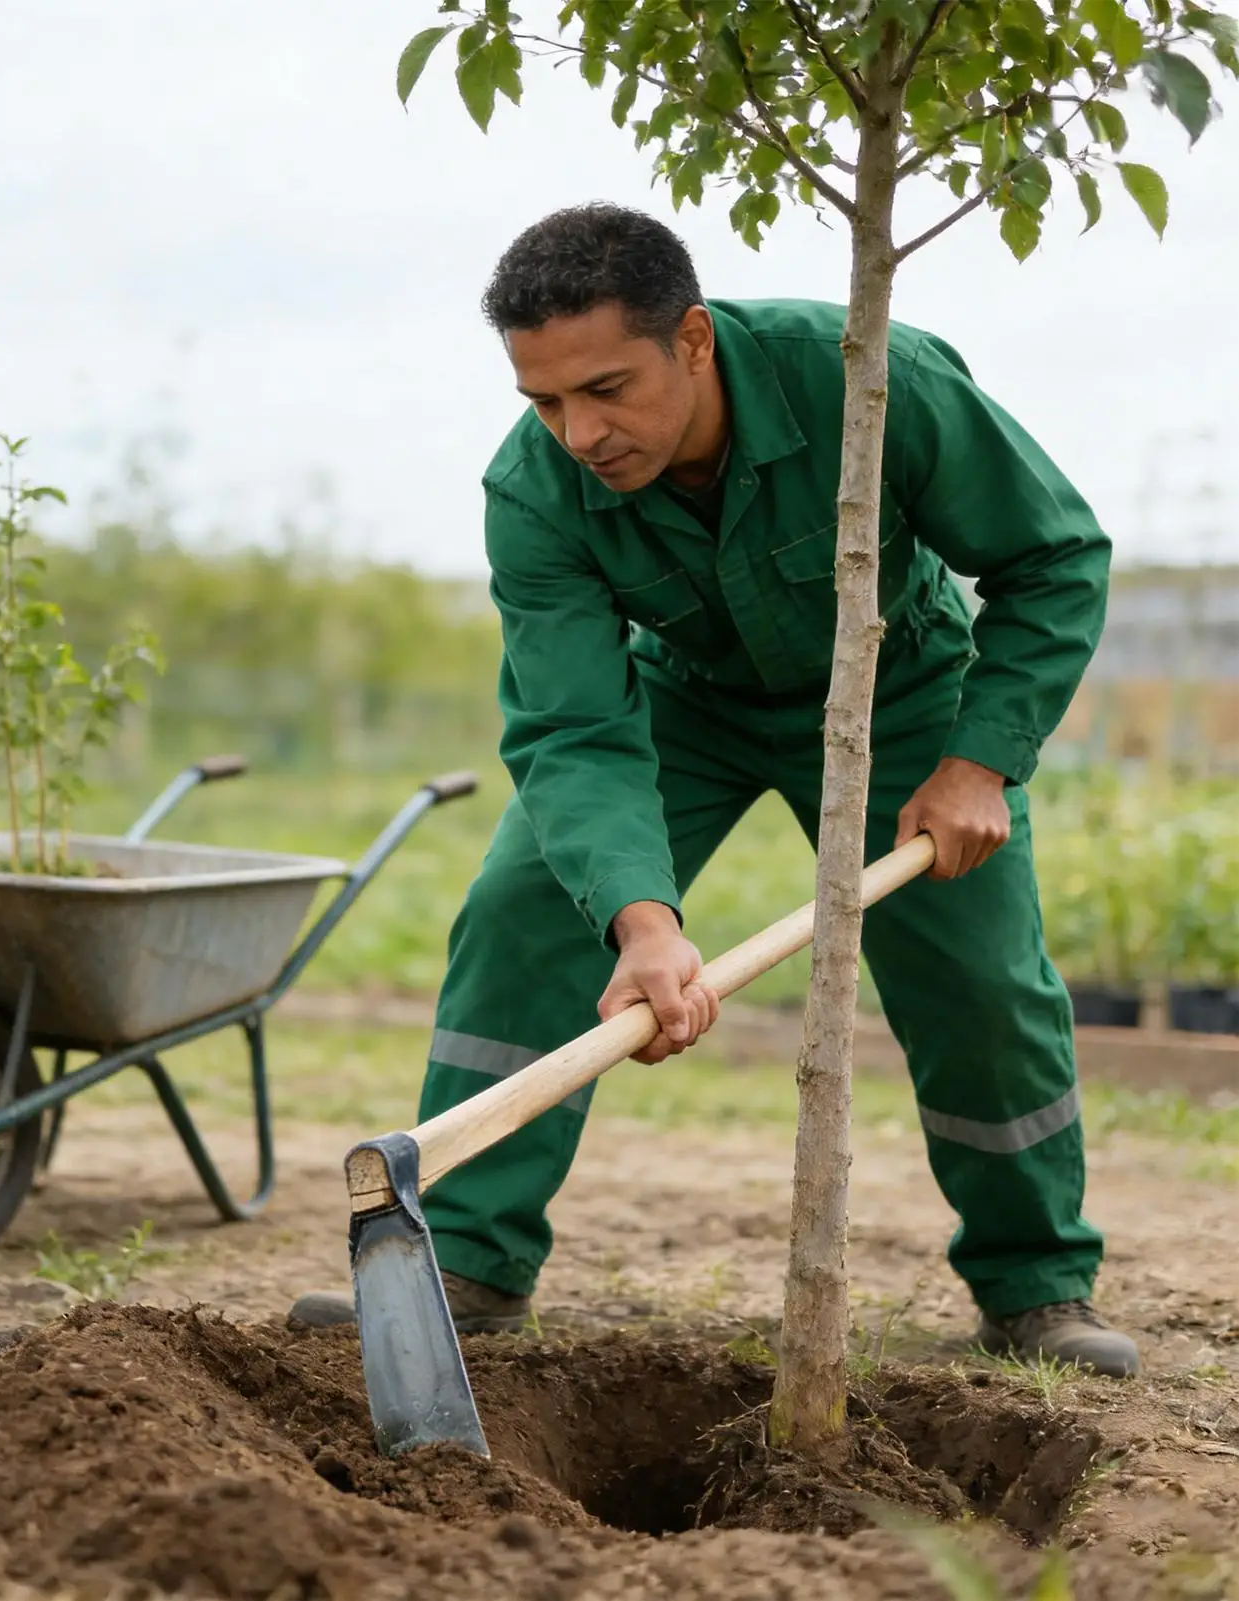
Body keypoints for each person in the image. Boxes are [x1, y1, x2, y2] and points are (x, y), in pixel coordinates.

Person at [290, 202, 1138, 1378]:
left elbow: (1052, 556)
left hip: (902, 690)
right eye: (544, 400)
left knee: (980, 976)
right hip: (685, 697)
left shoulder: (865, 379)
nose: (578, 433)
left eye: (605, 389)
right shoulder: (534, 488)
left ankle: (1033, 1283)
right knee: (522, 910)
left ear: (690, 339)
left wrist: (978, 760)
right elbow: (573, 727)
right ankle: (467, 1262)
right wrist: (642, 924)